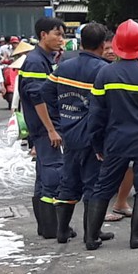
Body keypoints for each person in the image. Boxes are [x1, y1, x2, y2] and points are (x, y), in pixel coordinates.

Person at [82, 20, 138, 251]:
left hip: (114, 141)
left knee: (103, 187)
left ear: (117, 45)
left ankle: (91, 238)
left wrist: (98, 144)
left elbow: (96, 115)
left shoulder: (104, 75)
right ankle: (137, 237)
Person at [50, 23, 116, 246]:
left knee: (69, 183)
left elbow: (44, 92)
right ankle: (92, 235)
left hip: (69, 135)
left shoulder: (64, 66)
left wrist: (58, 120)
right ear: (101, 45)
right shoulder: (103, 70)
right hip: (92, 138)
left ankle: (62, 232)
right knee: (93, 186)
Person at [16, 17, 66, 236]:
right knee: (52, 176)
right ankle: (52, 228)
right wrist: (50, 129)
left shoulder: (44, 59)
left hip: (43, 128)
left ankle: (46, 227)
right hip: (46, 128)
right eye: (57, 34)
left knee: (43, 176)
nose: (61, 39)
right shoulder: (36, 61)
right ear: (43, 35)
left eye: (63, 35)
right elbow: (38, 98)